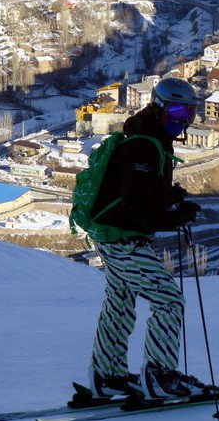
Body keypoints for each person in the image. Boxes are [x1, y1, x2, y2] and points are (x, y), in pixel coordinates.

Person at [86, 78, 211, 401]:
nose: (184, 119)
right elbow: (133, 209)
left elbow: (134, 192)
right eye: (179, 110)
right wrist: (172, 218)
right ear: (158, 108)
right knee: (169, 301)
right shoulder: (144, 145)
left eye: (191, 112)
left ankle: (107, 375)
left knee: (120, 302)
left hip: (108, 232)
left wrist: (168, 196)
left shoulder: (148, 137)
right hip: (122, 237)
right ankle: (159, 376)